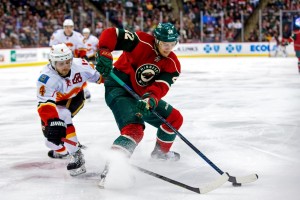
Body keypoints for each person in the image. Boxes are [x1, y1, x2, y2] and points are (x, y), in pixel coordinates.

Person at [95, 22, 183, 183]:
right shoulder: (141, 41)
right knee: (134, 129)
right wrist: (104, 51)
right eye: (164, 44)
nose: (168, 48)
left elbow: (160, 87)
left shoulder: (173, 64)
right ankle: (112, 170)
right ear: (156, 40)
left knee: (174, 119)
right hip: (119, 88)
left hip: (141, 97)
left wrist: (150, 99)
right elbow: (112, 33)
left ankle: (160, 154)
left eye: (172, 44)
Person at [36, 43, 102, 176]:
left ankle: (76, 155)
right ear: (53, 63)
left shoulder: (81, 65)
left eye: (67, 62)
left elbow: (101, 77)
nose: (65, 66)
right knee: (50, 141)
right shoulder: (46, 78)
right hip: (54, 104)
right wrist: (52, 121)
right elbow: (45, 105)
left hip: (75, 99)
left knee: (63, 115)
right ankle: (62, 151)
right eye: (61, 63)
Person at [49, 19, 92, 99]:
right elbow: (52, 48)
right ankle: (57, 91)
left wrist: (82, 59)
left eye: (70, 27)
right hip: (60, 59)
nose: (68, 29)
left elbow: (82, 50)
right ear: (63, 27)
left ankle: (85, 89)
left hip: (73, 58)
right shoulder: (57, 35)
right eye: (66, 27)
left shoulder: (78, 36)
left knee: (78, 74)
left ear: (73, 27)